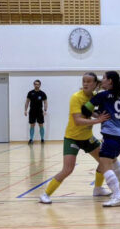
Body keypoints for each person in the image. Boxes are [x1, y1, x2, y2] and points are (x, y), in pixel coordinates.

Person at [38, 73, 111, 204]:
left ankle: (98, 188)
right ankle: (45, 194)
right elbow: (77, 120)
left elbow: (88, 112)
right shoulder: (76, 97)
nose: (86, 84)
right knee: (68, 169)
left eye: (89, 81)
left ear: (95, 84)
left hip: (87, 137)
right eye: (84, 81)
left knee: (104, 161)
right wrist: (98, 120)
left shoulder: (93, 97)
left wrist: (98, 114)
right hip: (72, 138)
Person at [82, 71, 120, 207]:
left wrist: (90, 99)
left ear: (110, 81)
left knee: (105, 165)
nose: (101, 80)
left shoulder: (102, 95)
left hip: (112, 135)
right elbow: (104, 113)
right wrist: (98, 114)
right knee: (112, 160)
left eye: (103, 78)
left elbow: (85, 110)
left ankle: (118, 196)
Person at [24, 79, 48, 144]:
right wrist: (25, 110)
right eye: (35, 84)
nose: (37, 85)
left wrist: (45, 110)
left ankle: (42, 139)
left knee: (41, 125)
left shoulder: (42, 93)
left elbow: (45, 103)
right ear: (34, 85)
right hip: (32, 111)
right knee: (32, 125)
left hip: (40, 111)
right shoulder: (30, 93)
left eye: (38, 84)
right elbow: (27, 102)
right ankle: (31, 139)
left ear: (40, 85)